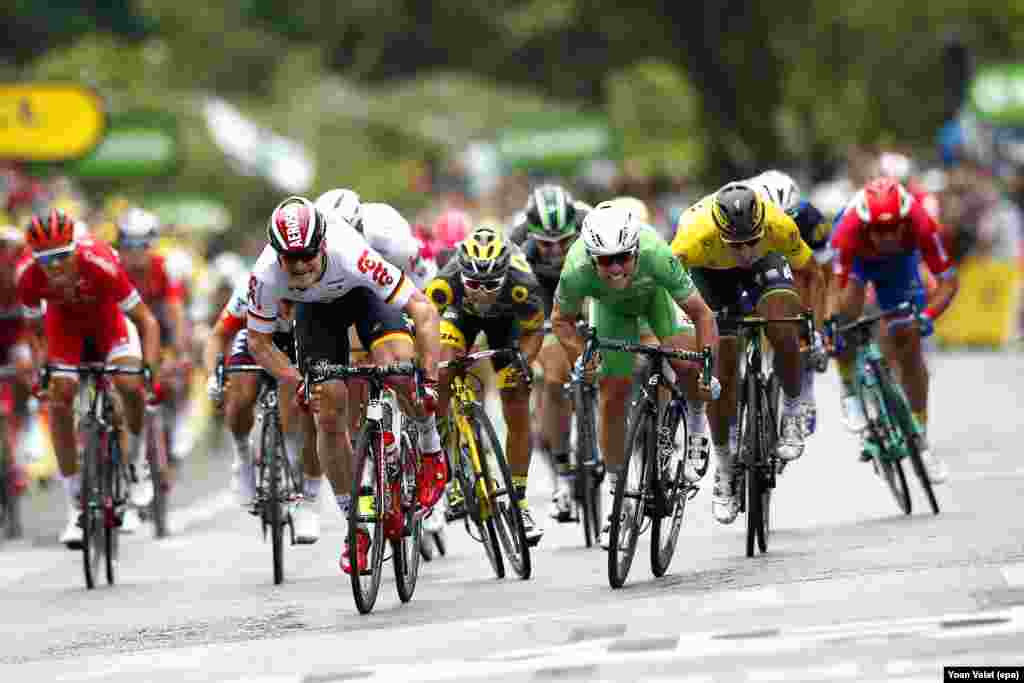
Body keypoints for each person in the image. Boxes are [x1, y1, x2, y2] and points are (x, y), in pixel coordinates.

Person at [247, 196, 442, 575]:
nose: (300, 265)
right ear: (276, 255)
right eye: (291, 259)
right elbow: (258, 342)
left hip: (365, 298)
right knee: (328, 407)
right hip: (316, 315)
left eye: (307, 255)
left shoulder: (350, 251)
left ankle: (431, 450)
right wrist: (298, 380)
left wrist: (429, 379)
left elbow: (422, 308)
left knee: (399, 369)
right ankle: (357, 523)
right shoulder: (265, 274)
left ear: (322, 245)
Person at [553, 201, 719, 548]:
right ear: (592, 258)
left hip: (655, 301)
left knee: (685, 363)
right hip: (612, 314)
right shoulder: (576, 268)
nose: (614, 269)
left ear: (636, 250)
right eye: (605, 260)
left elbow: (702, 315)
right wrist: (581, 356)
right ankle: (618, 495)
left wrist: (707, 368)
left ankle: (697, 425)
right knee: (613, 393)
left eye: (622, 258)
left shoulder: (657, 253)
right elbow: (561, 322)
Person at [671, 182, 824, 525]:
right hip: (710, 274)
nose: (745, 251)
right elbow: (664, 285)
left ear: (761, 228)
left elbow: (813, 274)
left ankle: (793, 410)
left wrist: (814, 330)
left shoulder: (778, 225)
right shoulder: (692, 236)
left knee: (783, 325)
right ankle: (724, 466)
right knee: (721, 368)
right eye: (737, 244)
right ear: (720, 231)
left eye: (752, 240)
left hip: (766, 270)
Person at [15, 209, 162, 547]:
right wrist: (41, 367)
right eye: (45, 260)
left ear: (74, 249)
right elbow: (35, 332)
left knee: (129, 386)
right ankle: (74, 507)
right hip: (64, 332)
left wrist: (148, 371)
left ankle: (137, 465)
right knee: (60, 398)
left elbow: (147, 321)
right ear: (34, 257)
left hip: (109, 326)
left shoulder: (100, 261)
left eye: (62, 258)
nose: (54, 268)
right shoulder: (26, 275)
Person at [829, 177, 958, 484]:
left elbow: (949, 282)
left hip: (900, 267)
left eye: (893, 229)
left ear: (905, 221)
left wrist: (926, 316)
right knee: (845, 315)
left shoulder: (920, 223)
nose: (887, 236)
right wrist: (833, 325)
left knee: (909, 340)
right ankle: (850, 389)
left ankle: (920, 438)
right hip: (857, 263)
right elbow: (834, 288)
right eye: (879, 230)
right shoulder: (847, 229)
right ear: (865, 224)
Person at [426, 224, 547, 544]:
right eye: (473, 283)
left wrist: (525, 361)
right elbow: (423, 326)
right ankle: (448, 473)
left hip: (505, 324)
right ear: (460, 274)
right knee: (441, 373)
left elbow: (535, 332)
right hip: (458, 318)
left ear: (505, 274)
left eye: (491, 283)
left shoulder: (523, 284)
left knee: (517, 395)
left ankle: (518, 501)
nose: (481, 291)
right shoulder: (444, 284)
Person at [203, 277, 323, 542]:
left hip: (301, 339)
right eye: (283, 303)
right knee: (241, 393)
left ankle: (310, 498)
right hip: (257, 337)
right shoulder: (251, 290)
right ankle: (243, 456)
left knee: (308, 407)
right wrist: (213, 375)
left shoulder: (315, 293)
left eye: (293, 304)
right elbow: (218, 335)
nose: (286, 311)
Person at [507, 184, 590, 522]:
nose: (555, 251)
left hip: (585, 285)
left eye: (563, 242)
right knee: (554, 378)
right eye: (546, 244)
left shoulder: (590, 225)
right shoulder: (517, 242)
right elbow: (512, 300)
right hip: (541, 291)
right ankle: (564, 472)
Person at [748, 170, 831, 436]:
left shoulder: (811, 219)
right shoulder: (745, 212)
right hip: (756, 262)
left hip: (797, 265)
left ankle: (805, 384)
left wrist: (818, 324)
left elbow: (823, 274)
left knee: (801, 285)